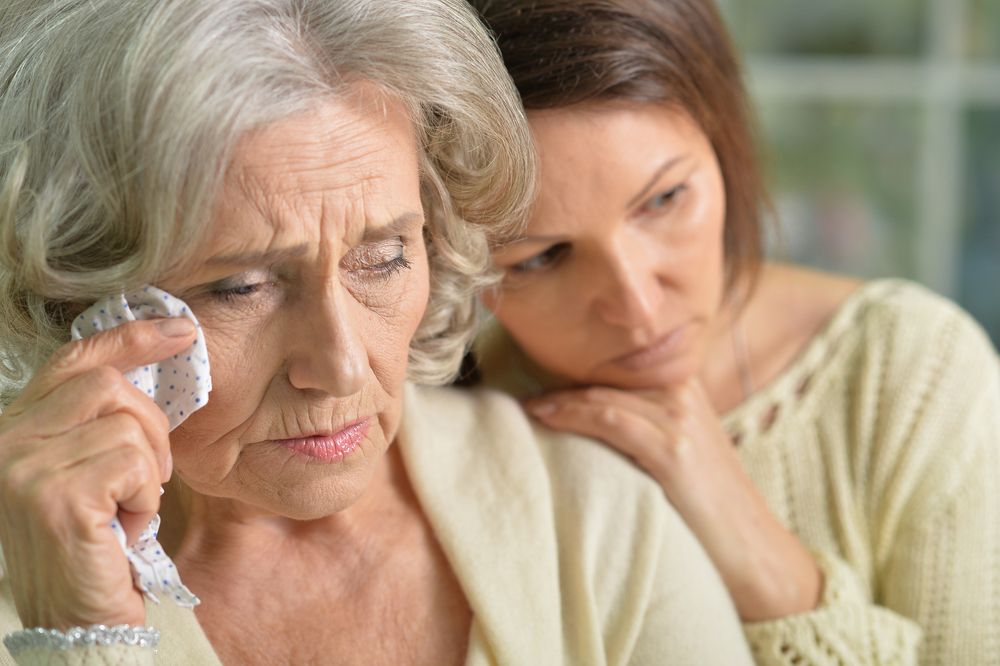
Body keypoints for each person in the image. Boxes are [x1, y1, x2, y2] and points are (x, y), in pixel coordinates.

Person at [0, 0, 758, 664]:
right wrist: (79, 637)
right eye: (240, 287)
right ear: (76, 292)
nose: (341, 366)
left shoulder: (588, 520)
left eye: (384, 257)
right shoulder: (27, 578)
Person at [469, 0, 1000, 663]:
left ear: (724, 142)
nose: (636, 307)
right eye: (542, 258)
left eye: (664, 200)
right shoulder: (441, 420)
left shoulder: (916, 373)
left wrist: (758, 557)